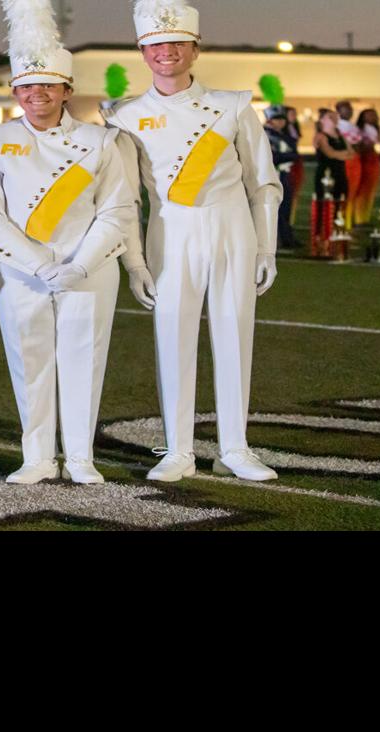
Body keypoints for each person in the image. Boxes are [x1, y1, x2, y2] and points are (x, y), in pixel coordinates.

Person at [104, 0, 282, 482]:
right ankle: (177, 450)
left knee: (234, 333)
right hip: (170, 229)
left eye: (177, 43)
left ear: (195, 49)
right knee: (173, 339)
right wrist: (135, 263)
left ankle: (235, 448)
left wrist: (266, 247)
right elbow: (126, 200)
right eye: (156, 45)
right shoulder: (124, 115)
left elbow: (262, 182)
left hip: (232, 228)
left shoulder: (235, 105)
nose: (167, 52)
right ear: (143, 51)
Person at [0, 0, 135, 485]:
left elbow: (119, 209)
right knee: (30, 362)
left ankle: (81, 457)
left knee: (85, 360)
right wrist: (40, 263)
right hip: (21, 272)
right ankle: (37, 456)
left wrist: (79, 265)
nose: (37, 93)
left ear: (66, 89)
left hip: (90, 270)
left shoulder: (100, 141)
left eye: (48, 85)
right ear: (16, 90)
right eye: (28, 85)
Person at [265, 103, 299, 249]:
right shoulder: (265, 135)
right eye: (276, 119)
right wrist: (288, 156)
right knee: (272, 209)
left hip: (284, 174)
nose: (280, 122)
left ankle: (287, 238)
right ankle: (273, 241)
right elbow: (274, 157)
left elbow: (294, 152)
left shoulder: (283, 135)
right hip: (271, 175)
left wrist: (288, 155)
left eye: (282, 119)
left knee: (285, 208)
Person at [352, 108, 380, 226]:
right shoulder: (359, 130)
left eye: (374, 115)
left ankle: (365, 217)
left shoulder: (375, 129)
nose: (372, 118)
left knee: (370, 189)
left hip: (373, 159)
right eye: (368, 115)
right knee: (361, 190)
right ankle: (359, 217)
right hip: (363, 159)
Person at [335, 100, 362, 227]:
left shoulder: (353, 127)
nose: (350, 111)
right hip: (343, 161)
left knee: (352, 190)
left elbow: (358, 145)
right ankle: (341, 219)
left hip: (354, 161)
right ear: (339, 111)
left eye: (350, 109)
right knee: (343, 190)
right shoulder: (337, 127)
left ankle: (348, 219)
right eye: (346, 109)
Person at [313, 108, 350, 202]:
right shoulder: (320, 136)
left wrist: (338, 154)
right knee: (325, 201)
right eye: (330, 117)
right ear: (322, 120)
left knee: (340, 198)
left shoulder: (340, 135)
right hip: (326, 172)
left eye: (336, 117)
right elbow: (329, 153)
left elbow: (351, 153)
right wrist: (343, 154)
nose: (334, 119)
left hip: (340, 171)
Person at [285, 106, 305, 226]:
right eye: (291, 114)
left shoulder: (294, 127)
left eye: (295, 114)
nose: (294, 116)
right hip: (289, 163)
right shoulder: (283, 130)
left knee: (295, 192)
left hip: (296, 161)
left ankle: (290, 221)